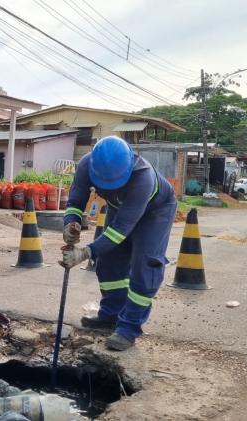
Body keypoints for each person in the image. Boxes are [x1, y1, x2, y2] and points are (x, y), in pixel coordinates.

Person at [60, 136, 177, 351]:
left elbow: (120, 232)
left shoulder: (143, 178)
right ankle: (111, 315)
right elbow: (75, 201)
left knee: (146, 265)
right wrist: (71, 223)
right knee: (110, 261)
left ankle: (129, 328)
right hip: (120, 206)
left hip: (155, 211)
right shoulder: (87, 164)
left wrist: (85, 252)